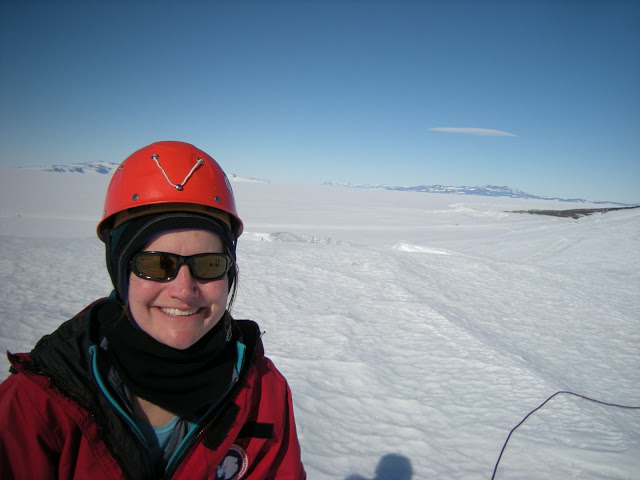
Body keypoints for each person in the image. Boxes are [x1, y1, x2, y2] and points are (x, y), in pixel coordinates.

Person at [0, 141, 306, 479]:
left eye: (208, 264)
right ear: (120, 271)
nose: (183, 290)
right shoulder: (36, 405)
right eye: (157, 265)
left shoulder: (264, 394)